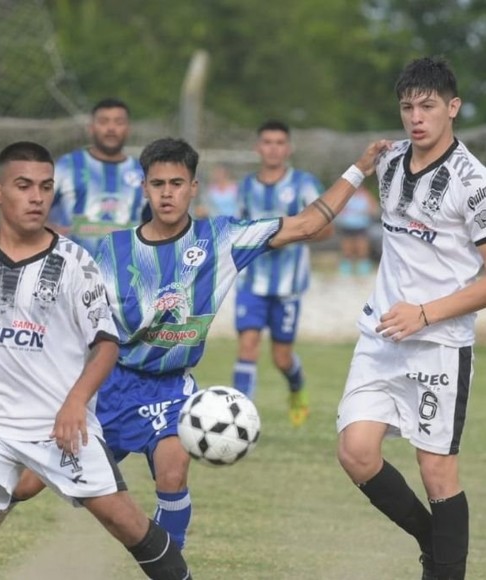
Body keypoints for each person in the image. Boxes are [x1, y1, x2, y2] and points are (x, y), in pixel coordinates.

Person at [0, 136, 389, 552]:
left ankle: (169, 562)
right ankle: (5, 493)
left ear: (193, 188)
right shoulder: (111, 251)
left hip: (171, 388)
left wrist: (360, 169)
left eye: (176, 183)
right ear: (144, 188)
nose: (167, 193)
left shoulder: (222, 240)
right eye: (157, 184)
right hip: (110, 386)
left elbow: (307, 223)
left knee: (173, 471)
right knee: (30, 484)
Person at [0, 141, 193, 580]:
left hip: (57, 426)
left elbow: (106, 344)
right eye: (24, 186)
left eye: (46, 187)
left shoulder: (74, 264)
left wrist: (75, 403)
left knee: (125, 522)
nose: (36, 197)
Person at [336, 56, 485, 580]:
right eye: (407, 107)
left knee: (436, 471)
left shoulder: (474, 183)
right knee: (355, 452)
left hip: (437, 342)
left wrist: (424, 313)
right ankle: (437, 547)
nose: (416, 117)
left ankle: (443, 566)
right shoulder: (390, 161)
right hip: (380, 335)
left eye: (428, 106)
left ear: (453, 108)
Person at [232, 120, 332, 426]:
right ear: (257, 147)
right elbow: (235, 229)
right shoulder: (246, 187)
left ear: (288, 148)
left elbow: (326, 229)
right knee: (248, 345)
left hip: (288, 287)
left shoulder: (303, 184)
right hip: (251, 283)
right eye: (267, 142)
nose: (273, 148)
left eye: (279, 142)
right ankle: (239, 419)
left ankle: (297, 388)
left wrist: (291, 234)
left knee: (281, 358)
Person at [48, 97, 148, 255]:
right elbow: (36, 205)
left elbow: (156, 221)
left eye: (119, 122)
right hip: (72, 271)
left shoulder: (142, 172)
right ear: (91, 128)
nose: (111, 128)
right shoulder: (67, 165)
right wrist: (47, 229)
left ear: (128, 129)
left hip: (126, 271)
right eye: (103, 121)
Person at [336, 186, 378, 276]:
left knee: (362, 245)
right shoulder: (345, 195)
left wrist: (368, 212)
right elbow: (338, 208)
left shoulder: (366, 195)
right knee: (347, 245)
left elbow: (374, 208)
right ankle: (347, 266)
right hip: (347, 224)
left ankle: (363, 265)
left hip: (361, 225)